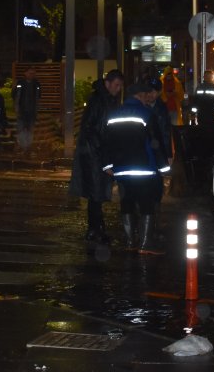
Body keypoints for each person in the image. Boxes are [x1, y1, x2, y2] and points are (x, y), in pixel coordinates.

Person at [102, 81, 169, 253]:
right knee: (147, 204)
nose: (148, 98)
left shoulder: (113, 115)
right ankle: (146, 244)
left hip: (122, 169)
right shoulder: (147, 114)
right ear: (139, 96)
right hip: (144, 169)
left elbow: (106, 141)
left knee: (127, 203)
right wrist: (163, 168)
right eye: (145, 95)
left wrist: (108, 164)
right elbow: (156, 142)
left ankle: (130, 242)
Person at [69, 69, 124, 245]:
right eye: (116, 85)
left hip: (96, 153)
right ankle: (95, 230)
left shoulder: (106, 100)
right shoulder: (99, 101)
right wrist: (103, 158)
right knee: (96, 193)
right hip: (94, 154)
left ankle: (96, 229)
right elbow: (93, 130)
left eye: (120, 86)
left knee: (97, 194)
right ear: (107, 83)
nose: (118, 89)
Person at [12, 66, 41, 152]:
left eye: (33, 73)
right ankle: (22, 145)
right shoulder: (20, 83)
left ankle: (27, 146)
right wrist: (17, 107)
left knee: (30, 129)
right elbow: (14, 95)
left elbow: (38, 97)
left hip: (32, 111)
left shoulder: (36, 84)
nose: (31, 75)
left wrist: (36, 109)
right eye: (30, 73)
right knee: (21, 128)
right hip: (22, 110)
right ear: (25, 73)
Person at [147, 78, 173, 164]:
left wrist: (168, 155)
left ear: (159, 93)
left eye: (154, 91)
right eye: (148, 91)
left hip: (157, 152)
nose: (150, 94)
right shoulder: (139, 107)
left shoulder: (163, 109)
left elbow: (166, 132)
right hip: (142, 152)